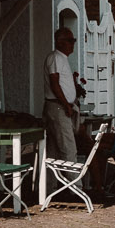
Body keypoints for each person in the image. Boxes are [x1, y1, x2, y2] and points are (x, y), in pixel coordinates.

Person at [43, 27, 81, 160]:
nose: (73, 44)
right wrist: (66, 105)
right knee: (68, 149)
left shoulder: (61, 58)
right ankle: (73, 175)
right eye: (70, 40)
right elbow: (55, 84)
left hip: (60, 107)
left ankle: (52, 175)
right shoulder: (55, 57)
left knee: (54, 151)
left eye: (73, 40)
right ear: (60, 42)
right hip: (58, 107)